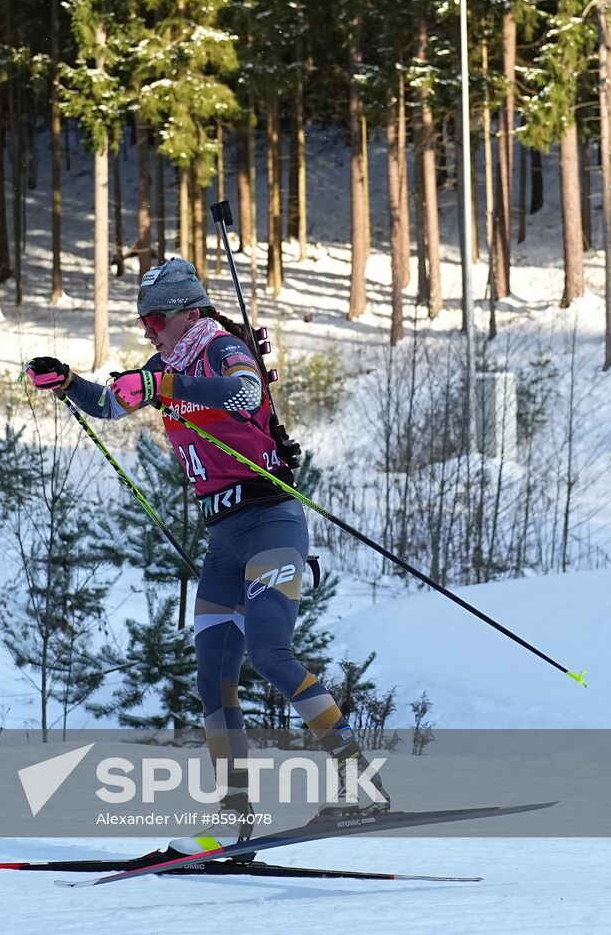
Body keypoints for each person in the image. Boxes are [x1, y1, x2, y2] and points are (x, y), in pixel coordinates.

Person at [25, 258, 388, 858]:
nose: (147, 330)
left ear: (187, 312)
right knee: (213, 678)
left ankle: (361, 784)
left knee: (271, 651)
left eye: (155, 318)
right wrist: (66, 382)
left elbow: (246, 394)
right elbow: (111, 404)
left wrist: (166, 387)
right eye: (143, 319)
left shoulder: (220, 348)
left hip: (272, 520)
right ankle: (234, 813)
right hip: (224, 539)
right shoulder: (164, 363)